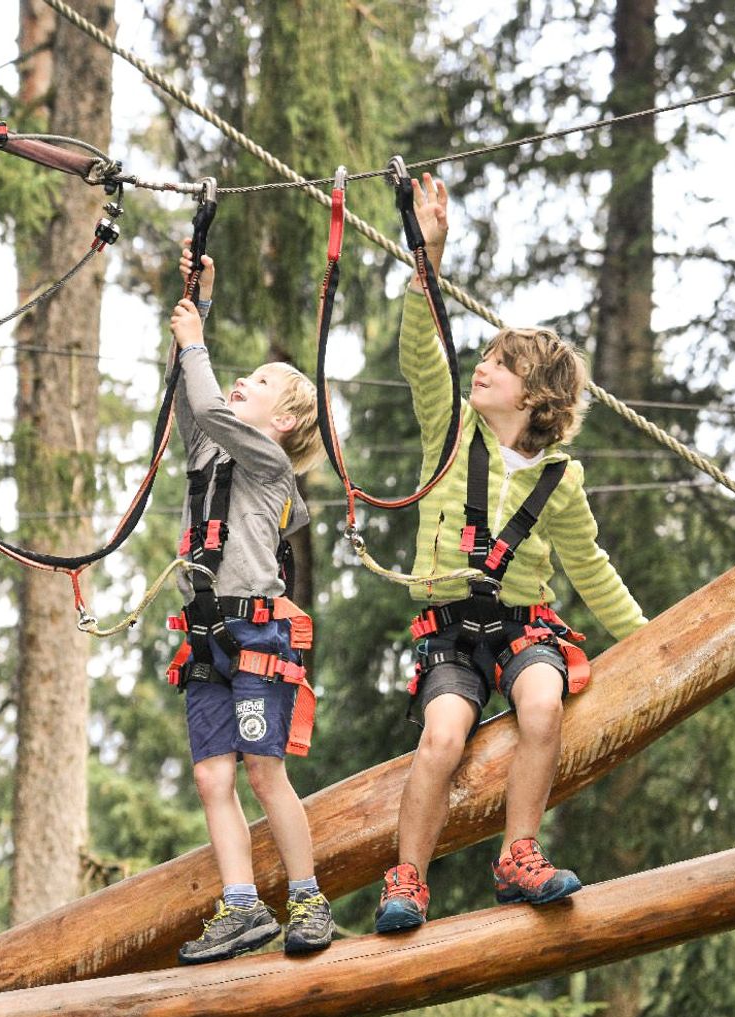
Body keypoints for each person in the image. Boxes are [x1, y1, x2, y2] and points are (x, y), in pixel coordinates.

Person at [374, 176, 648, 932]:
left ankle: (518, 853)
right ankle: (408, 879)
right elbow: (423, 351)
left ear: (535, 398)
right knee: (442, 737)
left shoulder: (561, 478)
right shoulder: (451, 432)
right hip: (450, 633)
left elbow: (589, 566)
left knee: (541, 705)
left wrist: (646, 639)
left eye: (501, 362)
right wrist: (428, 254)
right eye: (486, 356)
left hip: (525, 627)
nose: (482, 366)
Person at [167, 242, 334, 963]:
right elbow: (189, 398)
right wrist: (197, 303)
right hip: (205, 633)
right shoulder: (209, 453)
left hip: (255, 633)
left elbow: (207, 395)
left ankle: (306, 895)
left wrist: (199, 340)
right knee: (212, 774)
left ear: (285, 423)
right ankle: (242, 906)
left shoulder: (267, 463)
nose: (242, 380)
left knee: (265, 770)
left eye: (259, 382)